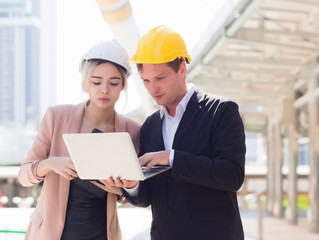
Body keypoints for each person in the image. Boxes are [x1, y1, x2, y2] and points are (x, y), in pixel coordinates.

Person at [103, 25, 247, 240]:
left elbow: (232, 176)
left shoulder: (221, 111)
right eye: (146, 81)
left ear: (182, 69)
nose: (153, 88)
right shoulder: (150, 126)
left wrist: (172, 158)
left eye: (160, 78)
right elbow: (148, 197)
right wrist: (132, 185)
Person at [18, 39, 140, 240]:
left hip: (101, 233)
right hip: (50, 234)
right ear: (85, 82)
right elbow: (24, 175)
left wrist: (119, 189)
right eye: (96, 81)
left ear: (124, 85)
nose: (104, 89)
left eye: (114, 83)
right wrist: (51, 164)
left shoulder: (132, 131)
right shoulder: (56, 116)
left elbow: (132, 192)